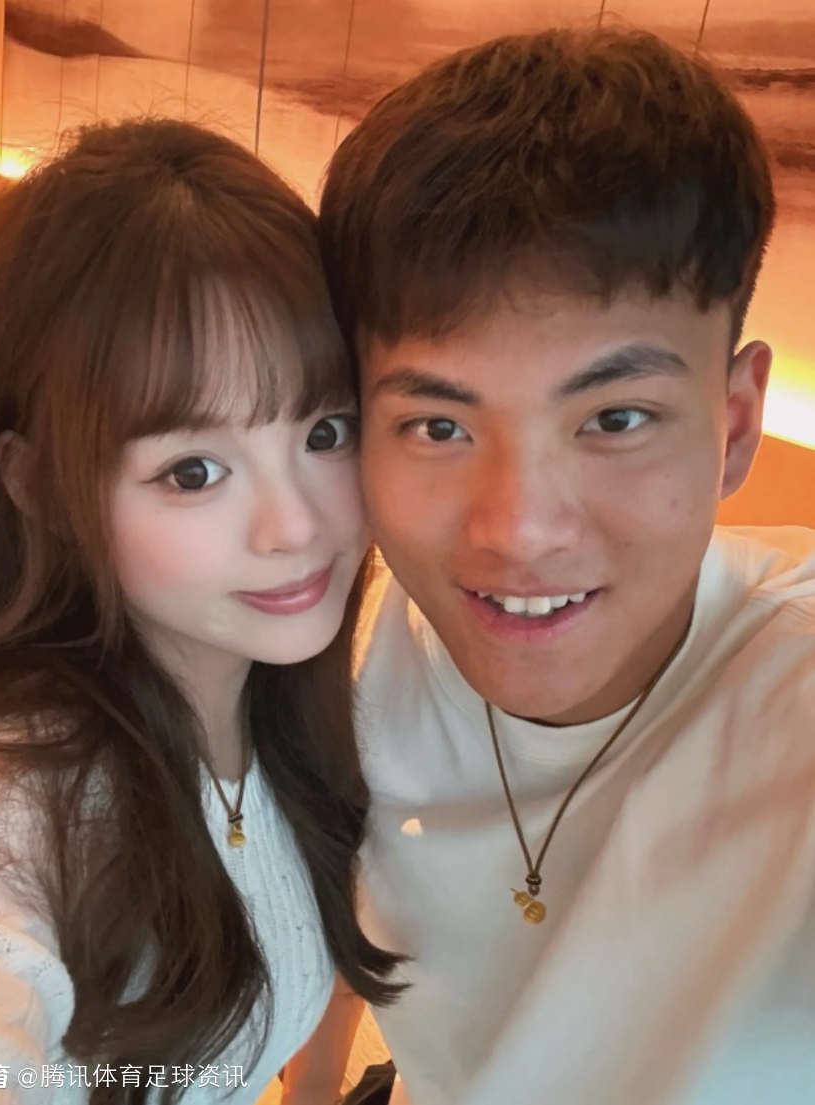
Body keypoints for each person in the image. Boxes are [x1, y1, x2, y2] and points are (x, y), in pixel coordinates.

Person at [317, 26, 815, 1105]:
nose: (520, 530)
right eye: (439, 427)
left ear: (733, 426)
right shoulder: (339, 655)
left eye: (616, 417)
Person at [0, 117, 402, 1104]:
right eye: (193, 470)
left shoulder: (291, 693)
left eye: (325, 430)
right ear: (40, 484)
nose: (295, 526)